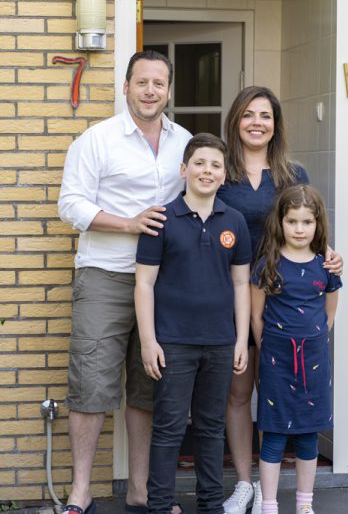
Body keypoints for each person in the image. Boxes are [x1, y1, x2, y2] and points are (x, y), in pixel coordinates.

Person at [58, 50, 191, 514]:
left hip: (165, 283)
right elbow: (70, 205)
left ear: (168, 90)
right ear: (126, 86)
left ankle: (140, 490)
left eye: (159, 83)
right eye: (142, 82)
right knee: (91, 383)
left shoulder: (185, 142)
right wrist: (128, 224)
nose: (151, 91)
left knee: (148, 385)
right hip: (106, 276)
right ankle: (80, 491)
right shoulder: (97, 140)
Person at [218, 86, 343, 514]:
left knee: (282, 397)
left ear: (276, 124)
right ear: (236, 120)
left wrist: (331, 258)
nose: (257, 122)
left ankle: (280, 493)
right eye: (249, 114)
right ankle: (244, 484)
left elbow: (313, 230)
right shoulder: (223, 173)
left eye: (266, 115)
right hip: (232, 298)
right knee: (238, 392)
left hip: (286, 306)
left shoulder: (294, 174)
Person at [134, 133, 252, 513]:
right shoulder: (161, 219)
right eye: (199, 163)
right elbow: (144, 283)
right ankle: (160, 504)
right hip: (174, 342)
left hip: (219, 342)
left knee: (210, 426)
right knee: (169, 427)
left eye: (215, 165)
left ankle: (210, 504)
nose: (207, 171)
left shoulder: (234, 221)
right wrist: (149, 341)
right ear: (184, 170)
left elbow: (240, 284)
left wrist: (239, 339)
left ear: (224, 174)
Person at [251, 184, 342, 514]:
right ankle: (269, 505)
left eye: (307, 222)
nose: (300, 229)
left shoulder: (326, 266)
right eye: (292, 222)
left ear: (317, 224)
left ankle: (305, 504)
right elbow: (256, 316)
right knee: (273, 435)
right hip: (277, 360)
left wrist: (313, 338)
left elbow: (329, 312)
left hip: (315, 361)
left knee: (307, 434)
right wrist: (273, 345)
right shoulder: (267, 265)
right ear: (281, 222)